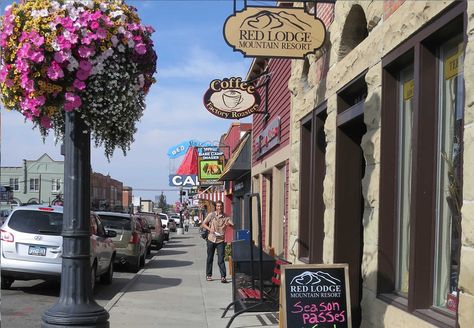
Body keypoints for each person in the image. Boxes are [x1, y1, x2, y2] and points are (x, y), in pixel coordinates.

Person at [201, 200, 233, 283]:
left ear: (223, 207)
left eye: (221, 206)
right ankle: (208, 275)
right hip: (211, 239)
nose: (219, 208)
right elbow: (203, 223)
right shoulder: (211, 215)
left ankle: (223, 277)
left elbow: (233, 225)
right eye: (218, 206)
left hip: (220, 241)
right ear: (216, 207)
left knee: (221, 259)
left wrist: (229, 224)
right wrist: (210, 229)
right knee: (210, 258)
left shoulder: (226, 217)